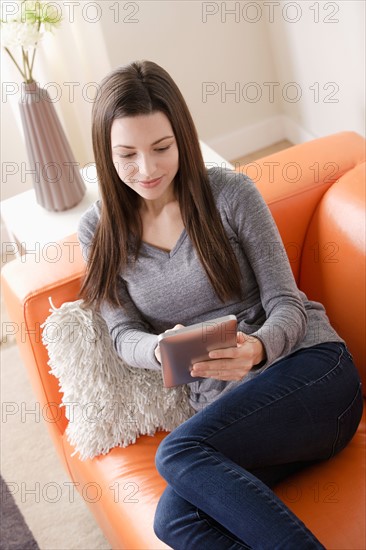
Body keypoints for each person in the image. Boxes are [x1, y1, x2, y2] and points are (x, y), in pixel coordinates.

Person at [77, 60, 363, 549]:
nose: (146, 170)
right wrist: (160, 348)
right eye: (126, 155)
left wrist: (257, 348)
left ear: (182, 139)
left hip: (311, 375)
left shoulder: (230, 195)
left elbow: (286, 304)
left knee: (177, 453)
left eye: (162, 148)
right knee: (174, 520)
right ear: (105, 156)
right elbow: (122, 334)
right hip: (236, 419)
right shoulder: (99, 232)